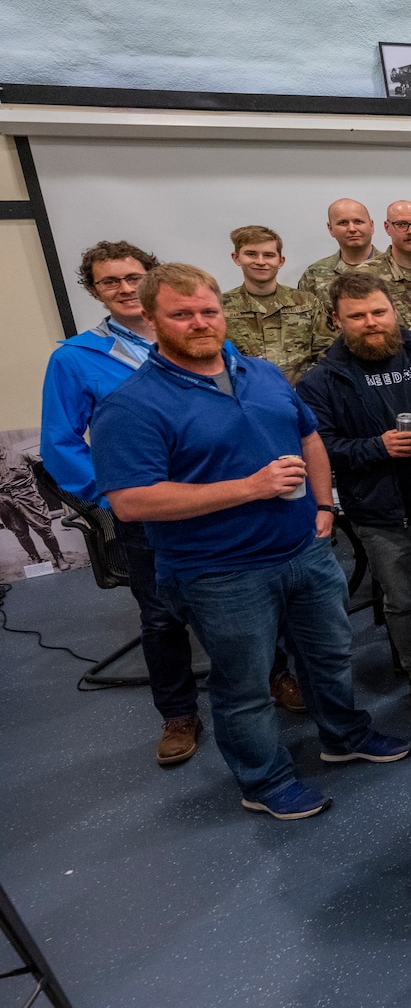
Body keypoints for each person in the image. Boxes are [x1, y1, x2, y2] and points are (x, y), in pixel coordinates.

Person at [92, 263, 410, 820]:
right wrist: (249, 488)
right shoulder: (133, 404)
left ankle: (344, 735)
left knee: (331, 654)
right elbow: (132, 501)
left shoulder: (259, 372)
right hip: (220, 570)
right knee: (245, 684)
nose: (199, 323)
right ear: (153, 318)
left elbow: (308, 435)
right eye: (182, 314)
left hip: (303, 551)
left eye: (208, 311)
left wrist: (322, 506)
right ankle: (263, 781)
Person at [41, 240, 204, 763]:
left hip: (215, 498)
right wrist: (110, 495)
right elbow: (60, 444)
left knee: (247, 597)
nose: (125, 289)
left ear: (153, 278)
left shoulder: (194, 332)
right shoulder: (75, 358)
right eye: (110, 282)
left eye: (134, 277)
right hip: (147, 513)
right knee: (161, 617)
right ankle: (179, 715)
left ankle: (276, 677)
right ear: (93, 291)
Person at [296, 271, 411, 714]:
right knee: (402, 604)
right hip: (381, 516)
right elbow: (321, 448)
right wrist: (377, 447)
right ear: (337, 320)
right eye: (357, 316)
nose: (371, 322)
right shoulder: (322, 382)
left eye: (379, 311)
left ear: (393, 311)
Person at [222, 225, 332, 383]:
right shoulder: (220, 307)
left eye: (268, 255)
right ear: (236, 258)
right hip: (245, 397)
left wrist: (307, 388)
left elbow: (327, 354)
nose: (260, 261)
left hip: (302, 396)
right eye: (251, 254)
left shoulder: (307, 302)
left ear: (280, 261)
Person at [295, 199, 379, 302]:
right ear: (331, 229)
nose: (352, 229)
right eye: (343, 223)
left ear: (372, 226)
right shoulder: (314, 274)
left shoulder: (393, 267)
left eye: (358, 221)